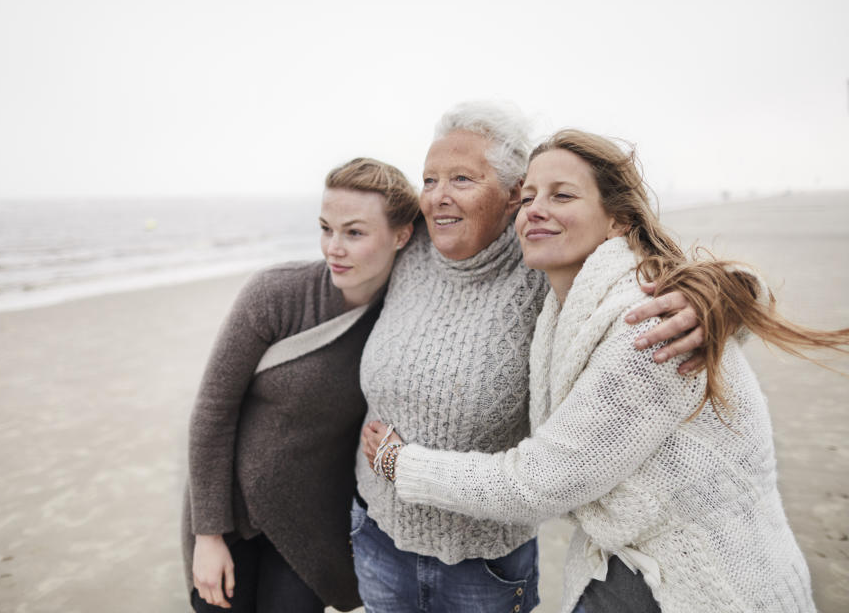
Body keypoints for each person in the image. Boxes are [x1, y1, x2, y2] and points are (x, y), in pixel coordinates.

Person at [364, 129, 847, 612]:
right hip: (619, 569)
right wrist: (733, 291)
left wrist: (399, 463)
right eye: (528, 197)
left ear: (618, 219)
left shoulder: (649, 327)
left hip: (702, 586)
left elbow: (540, 481)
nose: (535, 209)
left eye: (563, 195)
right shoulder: (570, 299)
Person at [350, 103, 712, 613]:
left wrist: (721, 300)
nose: (438, 196)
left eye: (461, 179)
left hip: (486, 562)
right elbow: (339, 257)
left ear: (510, 197)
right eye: (429, 179)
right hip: (377, 534)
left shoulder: (547, 261)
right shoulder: (407, 248)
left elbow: (647, 276)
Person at [182, 157, 418, 612]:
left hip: (313, 530)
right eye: (326, 228)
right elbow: (212, 411)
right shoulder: (276, 294)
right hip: (230, 515)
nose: (334, 247)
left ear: (401, 235)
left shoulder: (402, 317)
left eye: (354, 232)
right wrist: (207, 536)